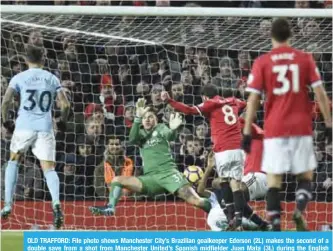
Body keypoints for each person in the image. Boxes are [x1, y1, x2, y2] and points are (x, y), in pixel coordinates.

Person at [242, 18, 332, 231]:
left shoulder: (262, 62)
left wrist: (246, 131)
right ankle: (299, 207)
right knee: (305, 175)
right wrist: (329, 124)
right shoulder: (304, 59)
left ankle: (274, 222)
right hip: (301, 126)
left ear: (271, 37)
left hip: (274, 128)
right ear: (291, 36)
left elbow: (253, 99)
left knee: (274, 180)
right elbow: (320, 93)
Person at [88, 98, 211, 216]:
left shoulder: (161, 128)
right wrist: (137, 117)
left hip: (169, 174)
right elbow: (132, 139)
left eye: (150, 117)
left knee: (197, 201)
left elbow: (170, 136)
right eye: (144, 117)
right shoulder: (140, 134)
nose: (147, 120)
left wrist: (173, 130)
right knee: (117, 180)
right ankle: (110, 207)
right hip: (150, 179)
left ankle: (221, 213)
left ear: (156, 119)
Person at [161, 85, 257, 231]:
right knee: (236, 184)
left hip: (223, 149)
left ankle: (231, 217)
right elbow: (250, 104)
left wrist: (169, 100)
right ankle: (238, 218)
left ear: (205, 97)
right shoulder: (233, 100)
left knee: (224, 181)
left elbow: (189, 110)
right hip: (238, 148)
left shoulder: (210, 104)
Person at [1, 44, 70, 229]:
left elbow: (6, 100)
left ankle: (7, 204)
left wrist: (5, 120)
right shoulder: (52, 78)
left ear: (25, 60)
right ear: (44, 59)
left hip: (24, 126)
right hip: (45, 128)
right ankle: (56, 204)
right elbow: (65, 105)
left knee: (13, 161)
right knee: (49, 169)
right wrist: (62, 121)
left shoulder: (19, 77)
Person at [195, 152, 269, 231]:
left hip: (234, 215)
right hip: (225, 217)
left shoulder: (226, 184)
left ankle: (236, 222)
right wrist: (209, 167)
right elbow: (200, 190)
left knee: (222, 185)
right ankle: (240, 224)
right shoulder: (214, 196)